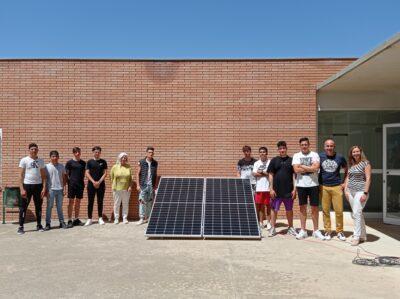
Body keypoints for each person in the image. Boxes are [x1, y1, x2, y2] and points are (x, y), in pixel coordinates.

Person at [292, 137, 325, 240]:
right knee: (302, 208)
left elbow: (316, 168)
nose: (304, 146)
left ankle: (316, 230)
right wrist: (310, 168)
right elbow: (296, 170)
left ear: (309, 145)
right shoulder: (296, 155)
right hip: (301, 185)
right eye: (302, 145)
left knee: (315, 208)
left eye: (306, 144)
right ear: (300, 145)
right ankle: (303, 230)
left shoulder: (314, 155)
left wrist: (302, 166)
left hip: (313, 184)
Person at [319, 138, 348, 241]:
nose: (329, 148)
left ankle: (339, 231)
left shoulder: (340, 157)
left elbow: (346, 170)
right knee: (325, 210)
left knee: (339, 211)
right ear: (324, 147)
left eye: (331, 146)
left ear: (334, 147)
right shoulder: (320, 156)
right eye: (327, 146)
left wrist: (345, 182)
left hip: (336, 186)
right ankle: (327, 230)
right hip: (323, 186)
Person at [267, 141, 297, 237]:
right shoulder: (274, 160)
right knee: (274, 209)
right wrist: (271, 189)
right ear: (278, 150)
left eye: (284, 148)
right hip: (276, 191)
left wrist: (294, 189)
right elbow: (270, 175)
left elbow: (294, 175)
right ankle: (272, 228)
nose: (282, 150)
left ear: (286, 149)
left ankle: (290, 227)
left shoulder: (291, 160)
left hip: (288, 191)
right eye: (280, 148)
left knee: (289, 210)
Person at [344, 146, 372, 246]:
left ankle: (356, 236)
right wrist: (346, 190)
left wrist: (365, 193)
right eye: (353, 152)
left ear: (360, 152)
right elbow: (348, 177)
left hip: (361, 191)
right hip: (350, 191)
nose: (355, 153)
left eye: (357, 151)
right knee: (358, 213)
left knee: (356, 213)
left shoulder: (366, 163)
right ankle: (363, 235)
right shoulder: (351, 164)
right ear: (351, 154)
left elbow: (368, 179)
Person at [18, 143, 47, 234]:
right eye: (32, 149)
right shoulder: (24, 160)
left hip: (38, 186)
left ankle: (39, 225)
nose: (34, 150)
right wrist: (22, 189)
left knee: (38, 207)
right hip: (27, 186)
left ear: (37, 150)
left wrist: (44, 188)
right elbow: (20, 175)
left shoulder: (41, 161)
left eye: (35, 149)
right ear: (29, 150)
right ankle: (21, 226)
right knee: (23, 207)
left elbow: (43, 175)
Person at [85, 146, 108, 226]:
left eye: (98, 152)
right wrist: (94, 182)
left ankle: (100, 218)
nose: (97, 153)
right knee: (90, 202)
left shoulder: (103, 162)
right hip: (91, 185)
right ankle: (89, 219)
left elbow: (105, 173)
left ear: (100, 153)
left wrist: (99, 182)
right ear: (93, 152)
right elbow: (87, 173)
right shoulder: (89, 162)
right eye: (95, 152)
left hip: (101, 185)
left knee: (100, 201)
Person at [45, 151, 68, 230]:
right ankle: (48, 223)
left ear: (58, 157)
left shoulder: (61, 166)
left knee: (59, 207)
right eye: (53, 156)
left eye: (56, 156)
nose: (54, 158)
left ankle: (61, 222)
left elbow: (64, 178)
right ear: (50, 157)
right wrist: (45, 190)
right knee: (49, 207)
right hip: (50, 190)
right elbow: (44, 179)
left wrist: (65, 189)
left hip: (60, 190)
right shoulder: (46, 166)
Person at [135, 147, 158, 225]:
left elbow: (155, 174)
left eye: (152, 152)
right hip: (143, 185)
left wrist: (155, 185)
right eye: (149, 152)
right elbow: (137, 174)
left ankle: (147, 218)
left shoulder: (155, 163)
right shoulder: (141, 162)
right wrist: (138, 185)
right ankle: (141, 218)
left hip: (151, 186)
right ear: (146, 153)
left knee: (149, 202)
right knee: (142, 201)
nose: (151, 154)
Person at [65, 147, 86, 228]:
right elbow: (66, 175)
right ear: (73, 153)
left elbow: (84, 174)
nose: (78, 153)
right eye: (76, 152)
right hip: (71, 185)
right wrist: (68, 184)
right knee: (71, 202)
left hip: (80, 185)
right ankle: (70, 220)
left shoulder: (83, 163)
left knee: (78, 202)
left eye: (79, 152)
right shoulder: (69, 163)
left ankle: (76, 219)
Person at [110, 152, 133, 224]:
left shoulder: (128, 167)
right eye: (123, 158)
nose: (124, 159)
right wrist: (114, 185)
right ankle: (116, 218)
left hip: (126, 189)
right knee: (117, 204)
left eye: (125, 158)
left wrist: (130, 186)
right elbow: (111, 177)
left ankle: (124, 218)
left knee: (125, 203)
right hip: (117, 189)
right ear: (119, 158)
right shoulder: (114, 167)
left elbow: (131, 178)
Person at [252, 147, 271, 231]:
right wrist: (265, 173)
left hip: (268, 188)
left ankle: (269, 223)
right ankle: (261, 222)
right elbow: (254, 174)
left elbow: (271, 174)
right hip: (259, 188)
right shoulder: (256, 163)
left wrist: (262, 172)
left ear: (266, 153)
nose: (262, 153)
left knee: (268, 206)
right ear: (259, 153)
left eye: (264, 152)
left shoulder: (270, 162)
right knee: (260, 206)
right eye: (261, 152)